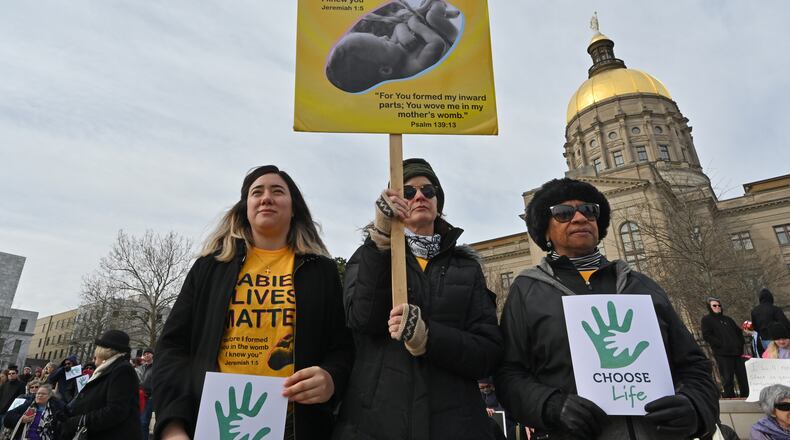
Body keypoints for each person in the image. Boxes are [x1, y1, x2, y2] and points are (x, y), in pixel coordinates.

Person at [495, 178, 719, 440]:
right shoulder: (527, 290)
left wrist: (694, 406)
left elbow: (694, 366)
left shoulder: (642, 285)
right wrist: (550, 406)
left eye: (589, 210)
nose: (580, 218)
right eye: (563, 213)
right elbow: (509, 373)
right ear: (545, 230)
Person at [154, 165, 353, 440]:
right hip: (215, 422)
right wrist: (172, 427)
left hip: (296, 425)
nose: (266, 198)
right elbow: (172, 348)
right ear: (245, 208)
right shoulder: (209, 269)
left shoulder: (321, 271)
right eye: (256, 192)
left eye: (278, 191)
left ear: (294, 207)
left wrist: (331, 379)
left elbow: (342, 348)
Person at [333, 158, 503, 440]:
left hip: (455, 425)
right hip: (377, 423)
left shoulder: (467, 267)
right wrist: (381, 241)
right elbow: (362, 319)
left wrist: (429, 339)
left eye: (428, 190)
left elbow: (488, 353)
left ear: (438, 202)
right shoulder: (367, 256)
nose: (420, 196)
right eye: (408, 192)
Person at [326, 0, 460, 93]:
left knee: (421, 12)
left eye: (379, 37)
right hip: (449, 38)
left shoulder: (392, 52)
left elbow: (398, 27)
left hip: (428, 29)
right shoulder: (411, 68)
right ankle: (443, 7)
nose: (385, 37)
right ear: (386, 69)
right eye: (383, 43)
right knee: (432, 16)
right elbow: (437, 44)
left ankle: (442, 13)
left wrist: (403, 33)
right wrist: (415, 25)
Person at [60, 330, 140, 439]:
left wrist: (80, 421)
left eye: (98, 347)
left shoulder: (122, 370)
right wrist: (69, 412)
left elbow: (116, 411)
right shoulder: (107, 369)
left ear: (108, 350)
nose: (95, 352)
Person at [701, 297, 750, 398]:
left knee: (743, 377)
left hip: (737, 353)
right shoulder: (707, 320)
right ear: (710, 307)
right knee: (728, 379)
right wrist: (720, 344)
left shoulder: (728, 319)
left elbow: (738, 332)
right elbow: (706, 335)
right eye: (714, 305)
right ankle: (730, 397)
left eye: (719, 305)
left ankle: (745, 396)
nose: (717, 307)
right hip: (723, 354)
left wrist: (740, 344)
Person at [136, 348, 154, 440]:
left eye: (149, 353)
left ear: (152, 355)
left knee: (144, 422)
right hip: (138, 396)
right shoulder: (140, 368)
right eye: (145, 354)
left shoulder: (156, 367)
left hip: (149, 398)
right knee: (137, 421)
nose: (147, 355)